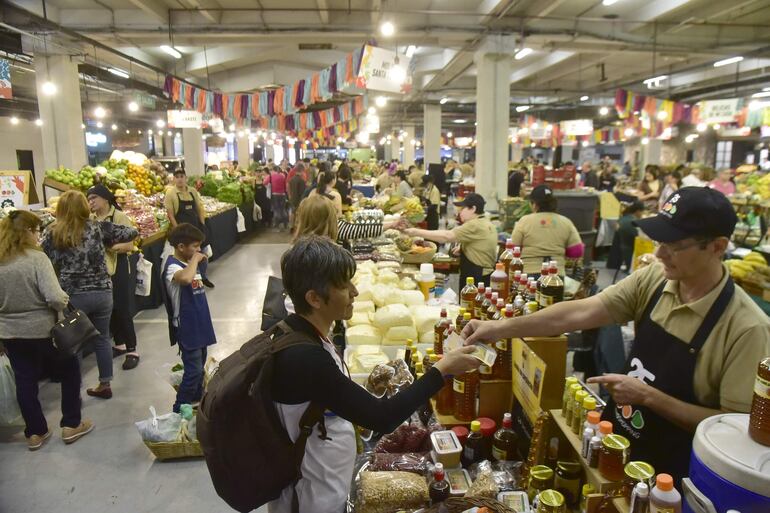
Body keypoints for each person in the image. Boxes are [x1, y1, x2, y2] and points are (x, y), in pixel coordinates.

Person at [463, 187, 770, 484]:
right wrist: (497, 328)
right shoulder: (655, 279)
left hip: (673, 476)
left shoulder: (746, 328)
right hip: (616, 442)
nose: (659, 253)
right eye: (658, 241)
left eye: (674, 244)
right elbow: (577, 312)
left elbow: (733, 430)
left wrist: (649, 397)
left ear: (717, 247)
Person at [268, 236, 481, 513]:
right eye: (345, 286)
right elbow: (382, 416)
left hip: (322, 481)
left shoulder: (299, 332)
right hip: (312, 497)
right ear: (314, 298)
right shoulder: (305, 358)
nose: (355, 292)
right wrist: (441, 371)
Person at [0, 210, 93, 450]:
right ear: (28, 232)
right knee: (70, 371)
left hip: (11, 333)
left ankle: (35, 432)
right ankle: (72, 424)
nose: (38, 235)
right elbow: (53, 296)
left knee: (25, 381)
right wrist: (64, 299)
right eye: (37, 230)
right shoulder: (36, 259)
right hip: (46, 331)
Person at [41, 190, 138, 400]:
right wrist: (110, 243)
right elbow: (132, 233)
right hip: (102, 291)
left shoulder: (53, 231)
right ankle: (105, 384)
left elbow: (41, 257)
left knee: (74, 344)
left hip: (73, 295)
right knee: (102, 338)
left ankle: (74, 391)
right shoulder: (98, 227)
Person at [163, 223, 217, 413]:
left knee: (199, 367)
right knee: (193, 371)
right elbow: (185, 279)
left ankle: (196, 400)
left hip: (200, 322)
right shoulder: (172, 266)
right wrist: (195, 259)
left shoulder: (189, 263)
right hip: (187, 326)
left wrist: (196, 259)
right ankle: (179, 408)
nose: (198, 250)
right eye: (194, 246)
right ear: (180, 247)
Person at [87, 185, 140, 370]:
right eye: (89, 199)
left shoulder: (118, 217)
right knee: (109, 308)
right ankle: (120, 344)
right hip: (100, 271)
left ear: (105, 199)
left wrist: (109, 248)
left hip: (119, 268)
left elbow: (130, 245)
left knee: (122, 307)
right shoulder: (91, 219)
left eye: (94, 197)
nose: (91, 202)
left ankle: (132, 349)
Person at [403, 193, 497, 286]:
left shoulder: (474, 224)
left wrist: (415, 231)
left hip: (477, 276)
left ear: (473, 209)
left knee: (469, 299)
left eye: (462, 209)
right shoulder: (486, 223)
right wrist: (465, 248)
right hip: (484, 274)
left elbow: (446, 236)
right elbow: (482, 243)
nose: (459, 212)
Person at [511, 185, 584, 275]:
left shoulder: (525, 221)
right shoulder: (566, 222)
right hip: (556, 274)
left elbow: (513, 248)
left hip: (529, 274)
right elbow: (576, 251)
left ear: (534, 204)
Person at [164, 169, 215, 288]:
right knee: (187, 257)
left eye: (182, 176)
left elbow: (199, 209)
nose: (180, 179)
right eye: (177, 177)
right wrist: (178, 230)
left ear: (186, 178)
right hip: (183, 230)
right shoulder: (171, 193)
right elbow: (170, 214)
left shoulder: (192, 191)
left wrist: (202, 224)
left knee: (201, 255)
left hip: (195, 228)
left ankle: (202, 276)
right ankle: (190, 278)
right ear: (174, 179)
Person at [294, 195, 401, 245]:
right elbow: (362, 230)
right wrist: (391, 225)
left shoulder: (296, 248)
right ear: (326, 219)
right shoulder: (331, 254)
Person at [265, 165, 290, 230]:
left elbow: (264, 182)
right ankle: (285, 224)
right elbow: (286, 185)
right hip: (283, 194)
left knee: (276, 210)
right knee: (283, 209)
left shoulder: (270, 176)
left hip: (274, 194)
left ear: (273, 170)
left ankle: (277, 225)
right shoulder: (283, 176)